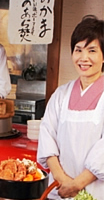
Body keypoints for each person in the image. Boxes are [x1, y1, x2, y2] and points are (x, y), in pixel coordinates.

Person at [37, 15, 104, 199]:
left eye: (92, 50)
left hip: (96, 192)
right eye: (78, 50)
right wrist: (62, 180)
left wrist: (76, 185)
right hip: (60, 189)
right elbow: (47, 134)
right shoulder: (61, 94)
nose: (84, 58)